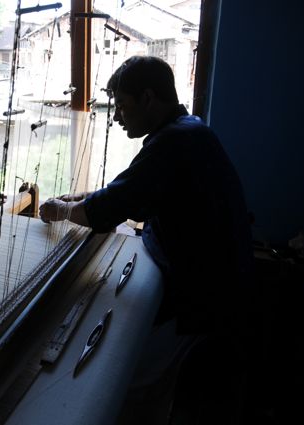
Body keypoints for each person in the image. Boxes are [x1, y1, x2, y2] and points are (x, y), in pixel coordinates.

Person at [40, 56, 255, 423]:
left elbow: (107, 210)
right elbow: (130, 192)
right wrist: (78, 199)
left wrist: (61, 210)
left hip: (200, 301)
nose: (118, 117)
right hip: (212, 289)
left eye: (122, 106)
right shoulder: (188, 130)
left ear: (149, 99)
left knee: (131, 383)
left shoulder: (174, 143)